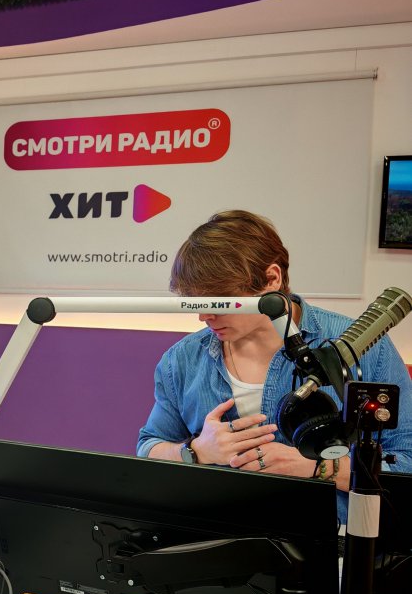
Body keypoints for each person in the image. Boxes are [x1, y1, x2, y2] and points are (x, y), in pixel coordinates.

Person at [137, 210, 412, 521]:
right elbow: (149, 447)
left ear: (271, 279)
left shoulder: (363, 348)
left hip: (331, 540)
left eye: (219, 302)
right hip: (218, 534)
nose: (204, 317)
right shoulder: (182, 359)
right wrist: (196, 451)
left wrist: (319, 468)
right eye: (197, 303)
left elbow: (406, 462)